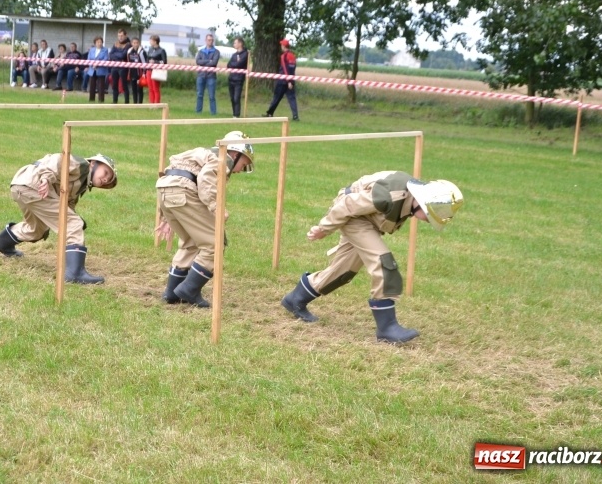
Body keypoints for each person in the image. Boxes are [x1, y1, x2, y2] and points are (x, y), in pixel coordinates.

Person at [279, 172, 464, 343]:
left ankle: (295, 299)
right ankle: (387, 328)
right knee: (384, 263)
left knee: (343, 271)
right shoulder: (390, 196)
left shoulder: (410, 198)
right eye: (431, 215)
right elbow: (347, 205)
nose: (429, 220)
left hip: (365, 219)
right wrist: (323, 229)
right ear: (423, 202)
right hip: (353, 216)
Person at [155, 131, 255, 307]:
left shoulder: (202, 153)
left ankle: (172, 292)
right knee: (214, 243)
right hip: (184, 190)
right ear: (235, 154)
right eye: (244, 163)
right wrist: (217, 208)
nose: (240, 170)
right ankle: (189, 290)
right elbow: (205, 179)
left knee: (191, 242)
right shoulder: (222, 159)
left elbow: (171, 176)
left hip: (165, 190)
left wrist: (165, 217)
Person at [0, 153, 118, 284]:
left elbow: (67, 204)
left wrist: (73, 214)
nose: (106, 179)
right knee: (72, 224)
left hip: (22, 186)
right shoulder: (81, 164)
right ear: (93, 163)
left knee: (36, 229)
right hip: (35, 186)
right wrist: (46, 179)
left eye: (108, 179)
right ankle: (75, 273)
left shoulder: (81, 183)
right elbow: (55, 162)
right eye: (106, 172)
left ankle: (1, 243)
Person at [264, 39, 299, 121]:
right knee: (292, 98)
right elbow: (292, 69)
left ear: (283, 46)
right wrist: (291, 81)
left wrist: (288, 81)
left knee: (276, 97)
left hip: (283, 80)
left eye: (281, 45)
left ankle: (270, 113)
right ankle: (295, 116)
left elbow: (285, 69)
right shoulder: (292, 55)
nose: (281, 47)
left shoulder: (283, 56)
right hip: (291, 79)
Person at [195, 33, 220, 115]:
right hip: (201, 75)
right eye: (209, 40)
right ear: (205, 40)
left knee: (212, 96)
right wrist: (208, 61)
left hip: (211, 76)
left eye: (212, 40)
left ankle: (213, 113)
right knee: (199, 94)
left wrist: (204, 62)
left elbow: (214, 63)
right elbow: (198, 61)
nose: (210, 41)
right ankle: (198, 112)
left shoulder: (216, 52)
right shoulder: (201, 51)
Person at [226, 37, 249, 118]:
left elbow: (239, 64)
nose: (234, 44)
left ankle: (237, 114)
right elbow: (228, 65)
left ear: (240, 44)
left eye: (235, 43)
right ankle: (234, 113)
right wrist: (235, 64)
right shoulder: (234, 55)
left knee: (236, 97)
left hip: (239, 79)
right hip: (231, 78)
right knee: (232, 98)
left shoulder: (245, 54)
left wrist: (234, 64)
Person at [109, 29, 131, 104]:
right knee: (114, 84)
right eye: (119, 36)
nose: (120, 37)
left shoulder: (128, 45)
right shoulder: (116, 44)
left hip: (123, 67)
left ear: (125, 35)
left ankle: (126, 102)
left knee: (124, 85)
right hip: (115, 66)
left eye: (121, 35)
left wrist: (116, 54)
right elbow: (110, 54)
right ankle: (114, 101)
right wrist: (118, 55)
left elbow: (123, 55)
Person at [146, 35, 167, 104]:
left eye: (151, 40)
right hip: (149, 70)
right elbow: (147, 59)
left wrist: (155, 62)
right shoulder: (150, 49)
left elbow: (164, 61)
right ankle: (151, 104)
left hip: (156, 71)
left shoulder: (162, 51)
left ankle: (156, 104)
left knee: (156, 88)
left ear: (155, 42)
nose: (150, 42)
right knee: (150, 88)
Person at [86, 36, 108, 103]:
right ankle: (91, 100)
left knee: (101, 86)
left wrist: (98, 64)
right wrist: (92, 65)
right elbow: (89, 59)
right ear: (95, 43)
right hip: (92, 70)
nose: (99, 43)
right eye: (98, 42)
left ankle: (101, 100)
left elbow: (105, 59)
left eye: (101, 42)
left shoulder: (105, 50)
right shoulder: (91, 50)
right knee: (92, 85)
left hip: (101, 70)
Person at [127, 37, 147, 104]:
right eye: (134, 43)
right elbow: (128, 62)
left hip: (140, 73)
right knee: (134, 89)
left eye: (137, 43)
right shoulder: (129, 51)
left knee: (139, 89)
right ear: (131, 43)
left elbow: (145, 63)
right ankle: (134, 103)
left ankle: (140, 103)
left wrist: (144, 73)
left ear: (139, 43)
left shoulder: (142, 52)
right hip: (132, 73)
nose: (135, 44)